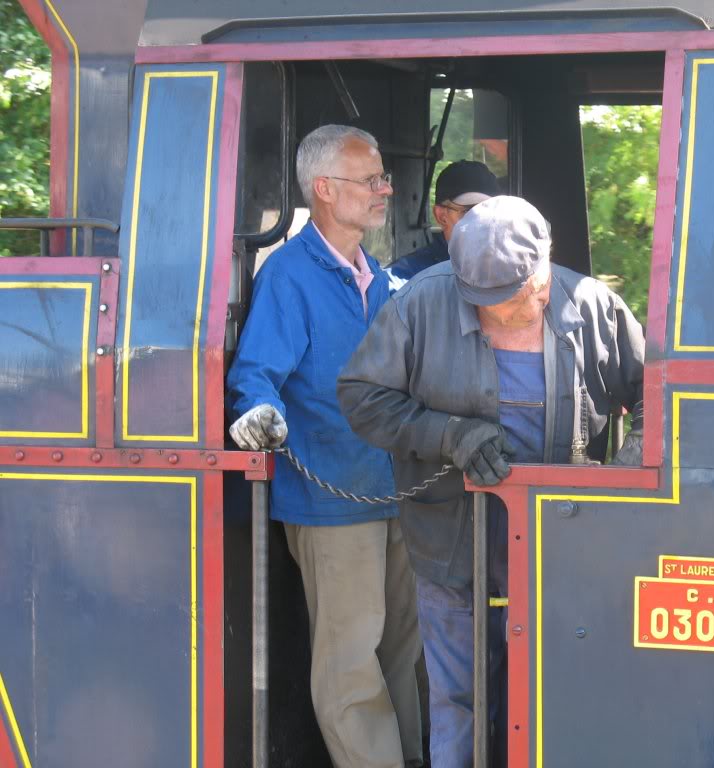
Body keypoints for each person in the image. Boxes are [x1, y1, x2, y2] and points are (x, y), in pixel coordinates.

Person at [337, 195, 645, 767]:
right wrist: (447, 434)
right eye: (500, 307)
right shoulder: (418, 306)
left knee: (559, 693)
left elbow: (659, 398)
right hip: (453, 542)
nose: (530, 306)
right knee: (460, 700)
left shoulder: (594, 305)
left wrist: (621, 478)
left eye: (533, 291)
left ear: (546, 265)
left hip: (565, 548)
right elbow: (362, 399)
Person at [226, 124, 422, 768]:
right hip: (332, 500)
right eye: (370, 180)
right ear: (324, 190)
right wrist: (257, 412)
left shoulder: (385, 281)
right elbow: (256, 375)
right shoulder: (288, 276)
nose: (383, 190)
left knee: (405, 650)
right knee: (349, 661)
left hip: (397, 491)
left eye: (383, 178)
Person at [386, 160, 500, 291]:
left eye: (492, 210)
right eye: (469, 211)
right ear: (441, 216)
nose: (482, 220)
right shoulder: (407, 279)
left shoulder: (515, 266)